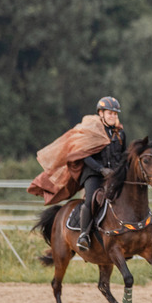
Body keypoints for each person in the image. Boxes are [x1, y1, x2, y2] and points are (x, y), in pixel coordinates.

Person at [28, 96, 128, 251]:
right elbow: (83, 155)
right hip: (93, 174)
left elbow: (123, 155)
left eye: (115, 114)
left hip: (113, 175)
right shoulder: (91, 131)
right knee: (90, 200)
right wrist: (100, 169)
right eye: (110, 113)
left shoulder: (120, 134)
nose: (113, 116)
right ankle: (84, 235)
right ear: (101, 114)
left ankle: (140, 230)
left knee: (132, 195)